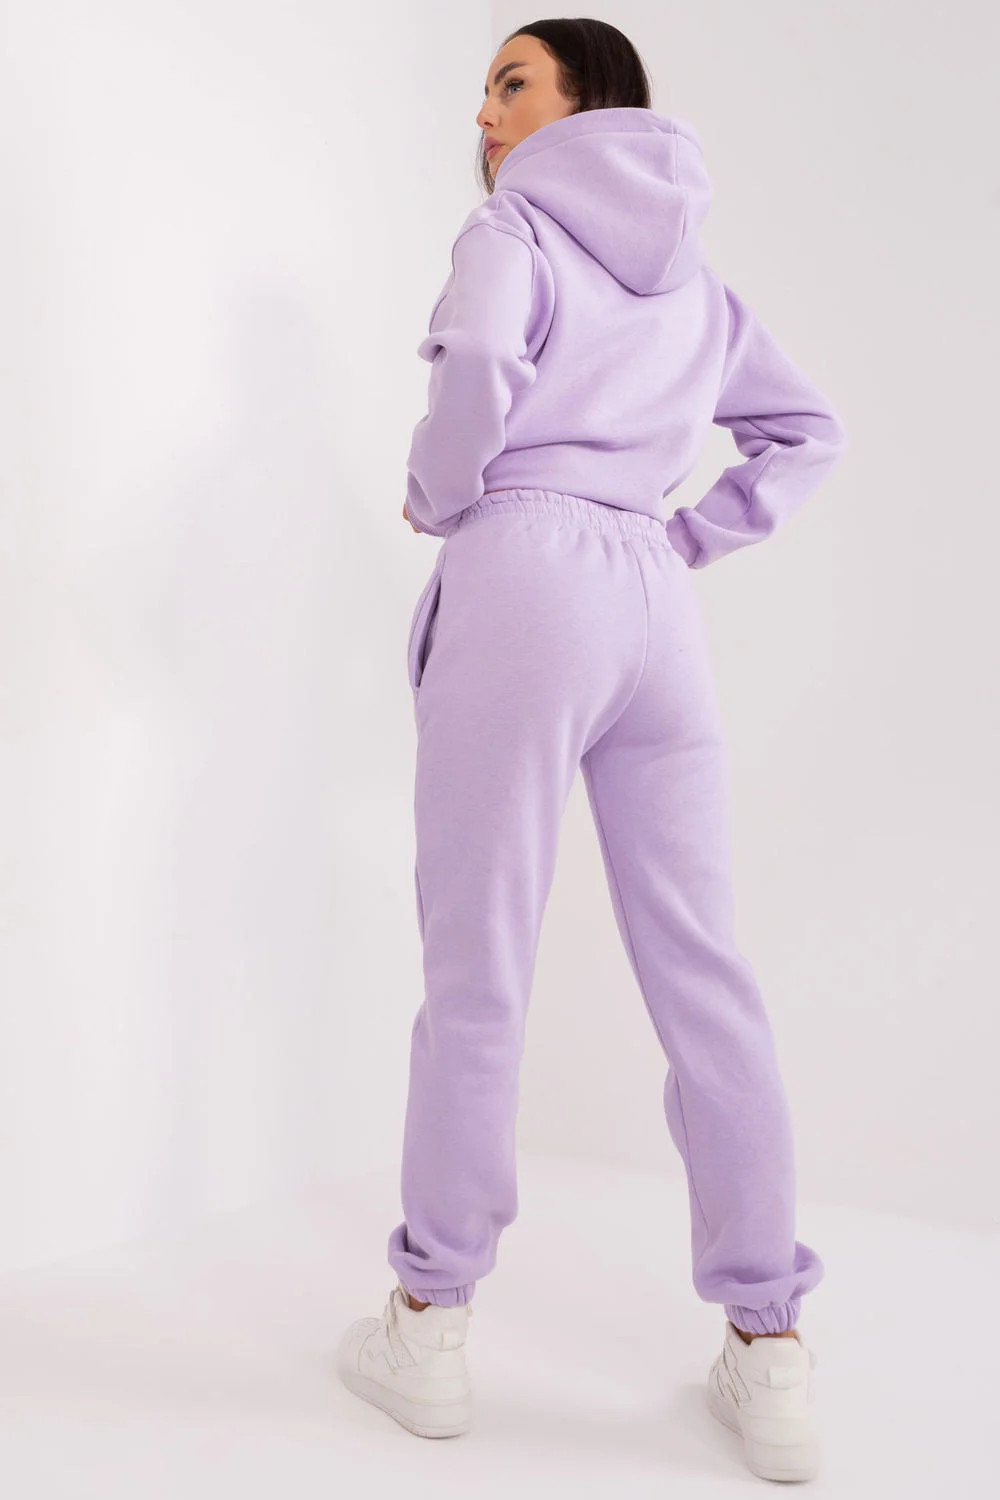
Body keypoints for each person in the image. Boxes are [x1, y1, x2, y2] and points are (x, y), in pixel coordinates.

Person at [337, 18, 845, 1480]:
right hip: (653, 604)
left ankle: (431, 1319)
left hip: (526, 571)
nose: (486, 115)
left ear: (583, 106)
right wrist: (688, 538)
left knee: (480, 959)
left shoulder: (513, 227)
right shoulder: (695, 278)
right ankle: (771, 1345)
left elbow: (479, 365)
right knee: (705, 965)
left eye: (512, 83)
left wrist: (444, 495)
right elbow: (806, 431)